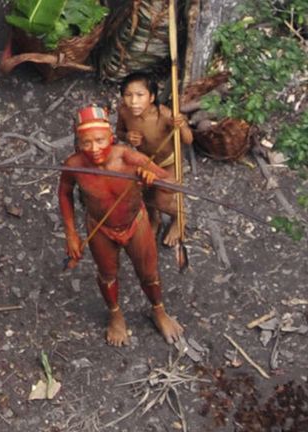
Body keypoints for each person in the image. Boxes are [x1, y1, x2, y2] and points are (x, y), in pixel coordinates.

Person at [59, 105, 184, 347]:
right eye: (86, 143)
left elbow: (172, 185)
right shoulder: (73, 165)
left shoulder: (129, 158)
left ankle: (158, 310)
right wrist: (71, 234)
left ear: (111, 138)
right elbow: (64, 194)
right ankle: (115, 315)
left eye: (100, 141)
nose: (94, 149)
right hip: (100, 227)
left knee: (148, 273)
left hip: (134, 222)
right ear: (77, 142)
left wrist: (153, 179)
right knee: (107, 275)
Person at [116, 72, 193, 246]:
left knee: (162, 200)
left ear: (151, 97)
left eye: (140, 95)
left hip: (169, 163)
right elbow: (119, 132)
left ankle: (179, 217)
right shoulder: (124, 111)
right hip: (145, 162)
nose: (133, 101)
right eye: (128, 95)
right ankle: (154, 219)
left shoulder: (165, 115)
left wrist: (181, 127)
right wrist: (127, 136)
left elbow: (188, 140)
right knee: (146, 195)